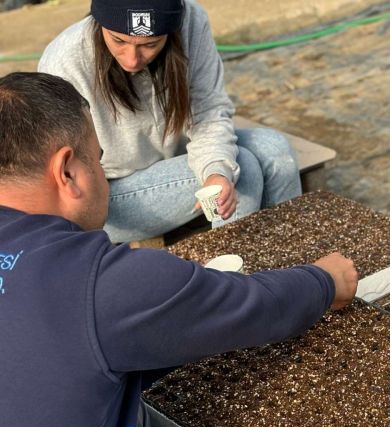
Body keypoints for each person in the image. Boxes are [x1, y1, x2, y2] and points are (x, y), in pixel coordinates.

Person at [0, 71, 357, 427]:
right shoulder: (97, 282)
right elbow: (255, 307)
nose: (99, 171)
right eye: (97, 158)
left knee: (125, 410)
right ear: (68, 171)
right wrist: (326, 280)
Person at [38, 0, 302, 244]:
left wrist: (215, 171)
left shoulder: (191, 21)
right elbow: (60, 177)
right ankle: (236, 282)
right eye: (118, 40)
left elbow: (208, 111)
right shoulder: (64, 62)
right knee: (244, 168)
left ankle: (290, 257)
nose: (132, 59)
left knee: (275, 149)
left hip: (170, 157)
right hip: (108, 196)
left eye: (150, 44)